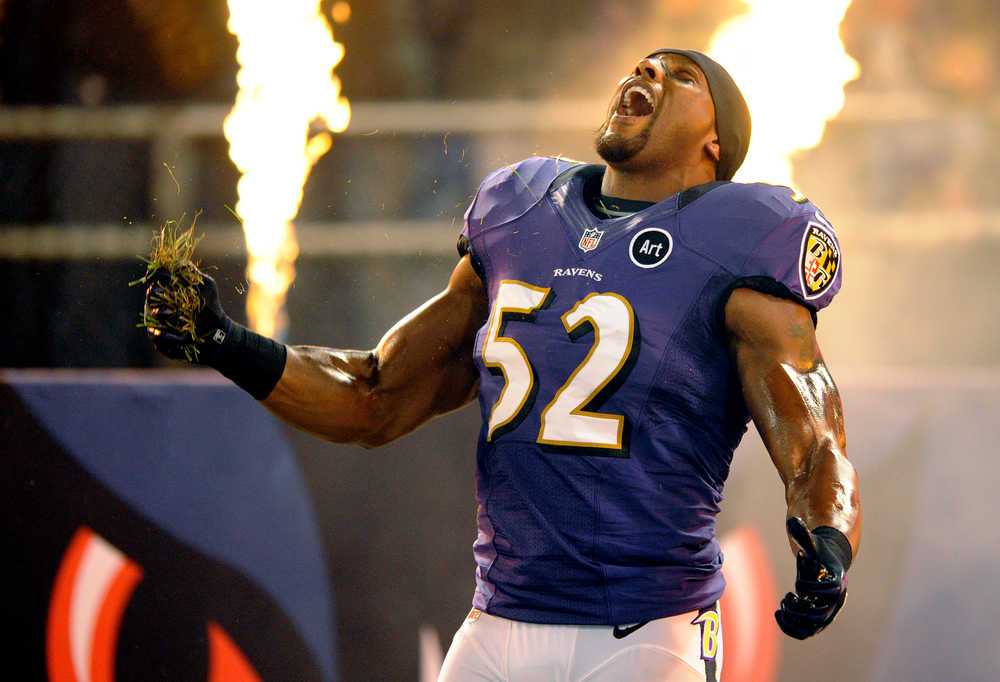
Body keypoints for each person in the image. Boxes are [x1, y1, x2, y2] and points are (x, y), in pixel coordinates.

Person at [145, 49, 861, 682]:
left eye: (683, 76)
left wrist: (828, 540)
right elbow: (376, 395)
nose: (649, 70)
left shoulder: (740, 241)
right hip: (497, 622)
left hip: (648, 630)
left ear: (716, 143)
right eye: (647, 63)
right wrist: (223, 343)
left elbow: (815, 442)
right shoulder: (524, 212)